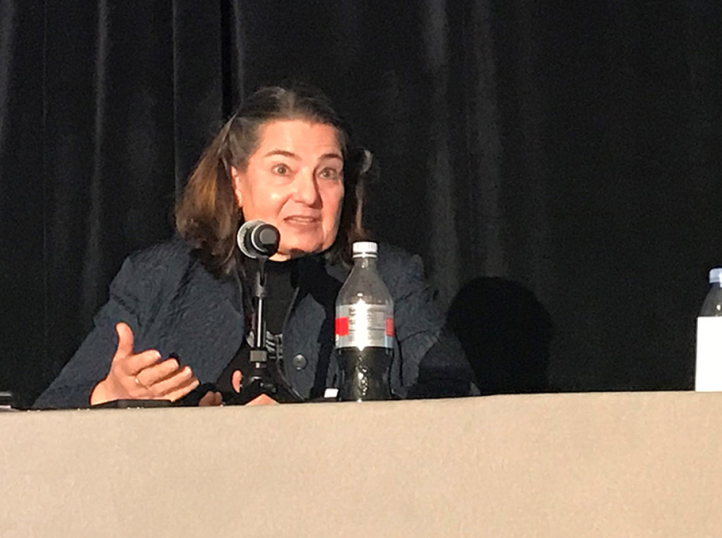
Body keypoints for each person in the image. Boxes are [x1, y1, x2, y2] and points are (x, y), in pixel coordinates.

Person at [34, 84, 475, 409]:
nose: (308, 194)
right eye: (283, 170)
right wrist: (109, 393)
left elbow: (459, 409)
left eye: (328, 173)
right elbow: (46, 412)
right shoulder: (159, 278)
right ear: (236, 181)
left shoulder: (392, 280)